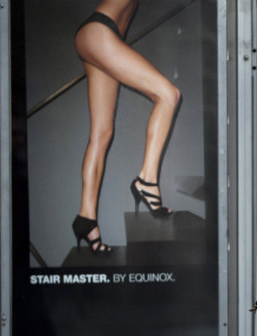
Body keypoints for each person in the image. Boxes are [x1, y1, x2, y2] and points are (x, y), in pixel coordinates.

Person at [72, 0, 181, 254]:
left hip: (98, 36)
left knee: (101, 133)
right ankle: (147, 181)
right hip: (100, 32)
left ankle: (85, 218)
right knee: (168, 95)